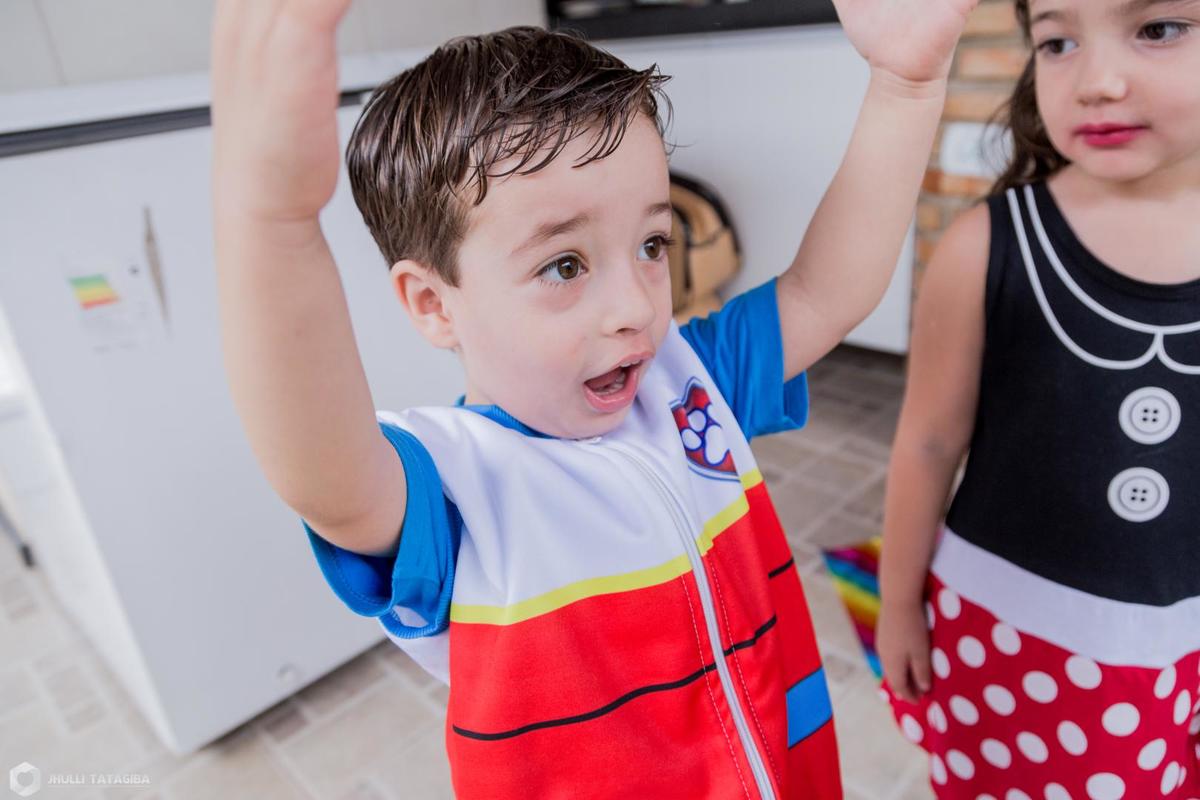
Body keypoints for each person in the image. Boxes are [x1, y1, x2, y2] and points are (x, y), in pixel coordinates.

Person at [210, 0, 976, 796]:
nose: (637, 307)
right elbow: (322, 473)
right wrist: (272, 219)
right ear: (434, 304)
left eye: (651, 245)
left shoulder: (689, 382)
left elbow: (825, 294)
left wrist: (905, 84)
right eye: (566, 265)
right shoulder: (453, 491)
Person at [877, 0, 1200, 797]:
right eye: (1057, 42)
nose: (1097, 82)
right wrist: (897, 604)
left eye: (1158, 29)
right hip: (1008, 641)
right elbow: (928, 443)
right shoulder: (985, 245)